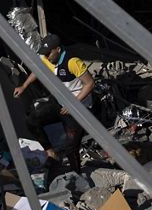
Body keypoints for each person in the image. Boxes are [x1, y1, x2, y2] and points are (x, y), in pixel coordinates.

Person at [12, 33, 95, 171]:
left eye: (48, 53)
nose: (46, 56)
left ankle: (77, 174)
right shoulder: (47, 58)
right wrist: (24, 86)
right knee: (32, 120)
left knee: (71, 147)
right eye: (44, 53)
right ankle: (51, 153)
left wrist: (73, 104)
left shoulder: (72, 62)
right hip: (59, 102)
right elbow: (38, 70)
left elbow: (90, 84)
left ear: (58, 49)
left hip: (78, 108)